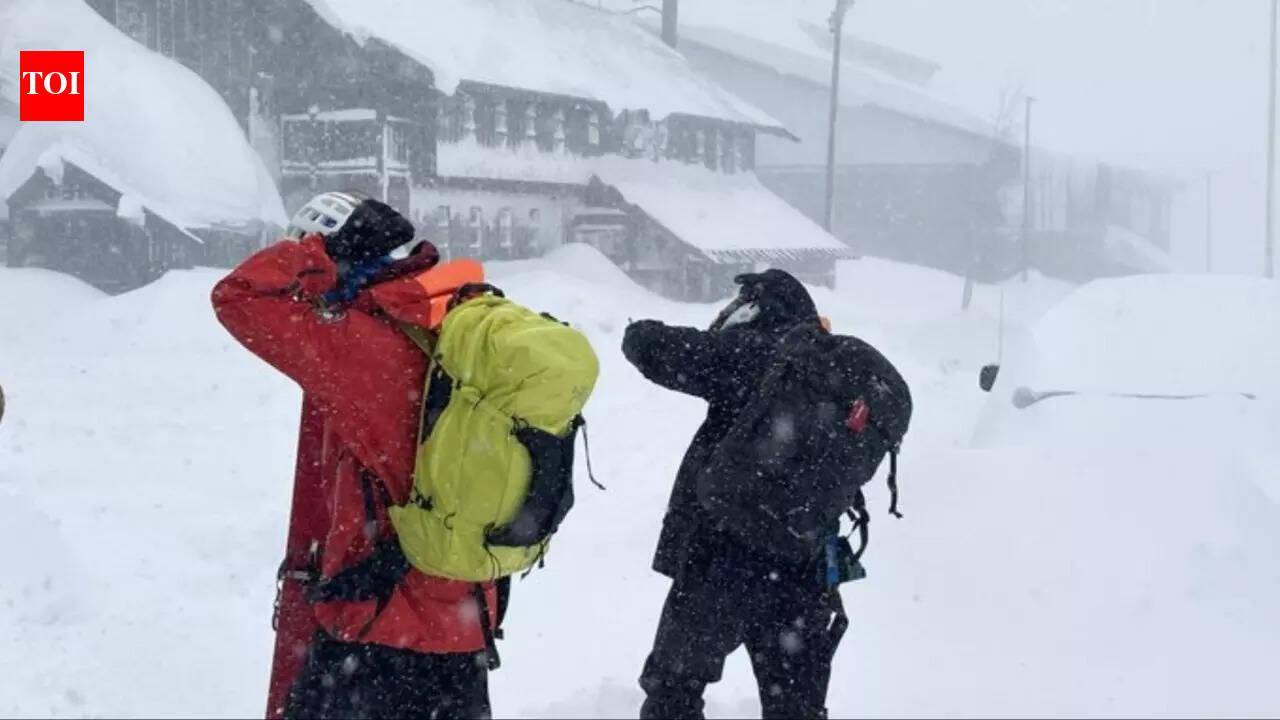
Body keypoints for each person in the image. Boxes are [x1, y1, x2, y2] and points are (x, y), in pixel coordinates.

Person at [212, 191, 496, 719]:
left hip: (376, 623)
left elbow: (239, 296)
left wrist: (313, 253)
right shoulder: (464, 324)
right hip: (465, 620)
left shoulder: (358, 343)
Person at [624, 269, 901, 720]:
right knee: (796, 706)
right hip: (806, 561)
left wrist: (637, 331)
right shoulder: (834, 373)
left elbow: (657, 350)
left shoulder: (756, 352)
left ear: (756, 308)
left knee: (675, 689)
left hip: (724, 555)